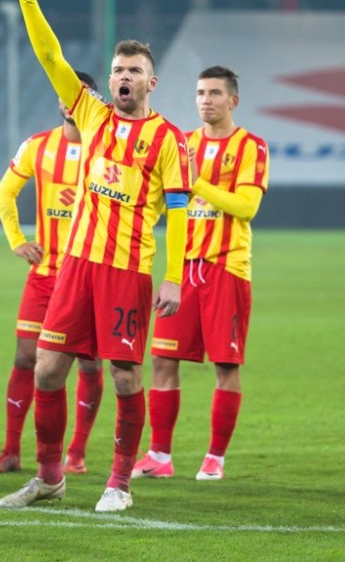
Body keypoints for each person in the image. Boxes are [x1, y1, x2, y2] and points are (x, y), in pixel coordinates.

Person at [0, 0, 190, 513]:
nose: (124, 77)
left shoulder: (169, 140)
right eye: (117, 70)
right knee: (47, 369)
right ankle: (49, 477)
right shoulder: (90, 112)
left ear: (151, 82)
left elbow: (179, 212)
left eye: (134, 71)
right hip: (75, 267)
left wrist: (173, 277)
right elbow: (50, 57)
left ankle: (119, 483)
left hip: (126, 271)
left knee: (125, 377)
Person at [132, 66, 268, 482]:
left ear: (233, 100)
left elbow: (246, 207)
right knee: (162, 360)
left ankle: (215, 458)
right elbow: (159, 201)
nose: (206, 100)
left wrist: (199, 182)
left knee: (226, 365)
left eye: (214, 93)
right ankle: (160, 454)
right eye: (200, 93)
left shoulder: (251, 147)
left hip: (226, 268)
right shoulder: (183, 143)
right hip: (183, 270)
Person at [0, 71, 105, 475]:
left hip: (89, 274)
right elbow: (4, 191)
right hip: (45, 272)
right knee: (25, 356)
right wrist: (17, 240)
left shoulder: (105, 147)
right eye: (65, 93)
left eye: (80, 94)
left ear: (92, 101)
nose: (70, 101)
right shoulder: (38, 145)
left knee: (89, 363)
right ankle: (11, 450)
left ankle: (77, 452)